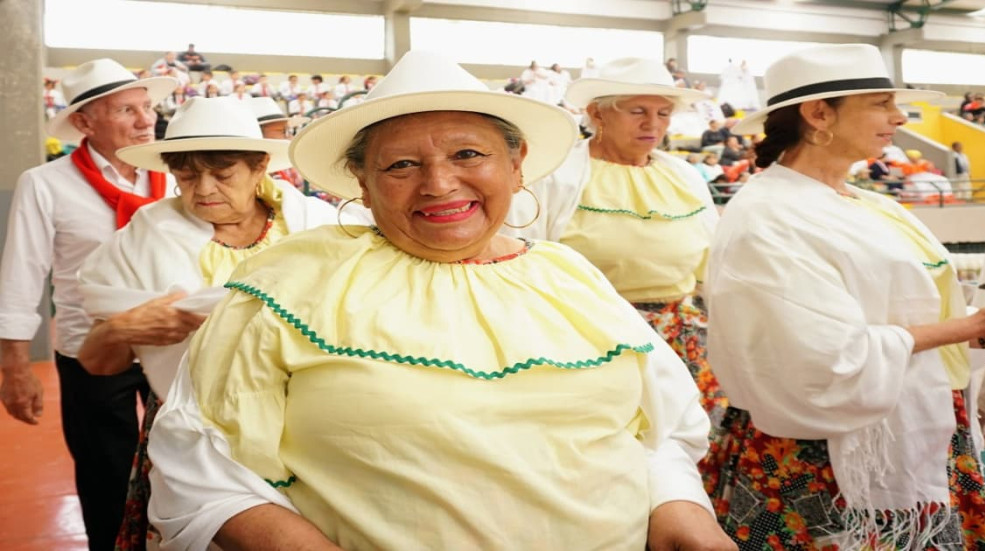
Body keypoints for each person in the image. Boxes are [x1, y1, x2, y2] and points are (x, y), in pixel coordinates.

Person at [145, 50, 734, 551]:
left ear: (517, 163)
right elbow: (202, 471)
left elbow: (659, 434)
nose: (439, 183)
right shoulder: (288, 283)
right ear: (363, 185)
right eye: (401, 165)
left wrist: (683, 512)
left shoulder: (570, 276)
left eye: (468, 155)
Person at [703, 43, 985, 549]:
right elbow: (823, 359)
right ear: (818, 113)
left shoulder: (864, 201)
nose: (899, 116)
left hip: (908, 432)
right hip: (829, 464)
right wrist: (977, 326)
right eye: (881, 103)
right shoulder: (767, 218)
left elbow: (900, 314)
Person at [77, 96, 361, 550]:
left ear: (260, 166)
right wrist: (124, 329)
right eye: (186, 176)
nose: (203, 189)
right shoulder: (142, 239)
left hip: (310, 423)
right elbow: (96, 362)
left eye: (223, 174)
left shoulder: (318, 228)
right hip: (196, 436)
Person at [0, 58, 177, 551]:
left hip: (170, 344)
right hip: (90, 354)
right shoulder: (46, 184)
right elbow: (20, 276)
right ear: (84, 122)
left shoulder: (174, 176)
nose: (147, 121)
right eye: (128, 110)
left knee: (183, 469)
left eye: (147, 107)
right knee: (106, 480)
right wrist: (14, 369)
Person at [504, 57, 727, 427]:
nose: (652, 124)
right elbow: (521, 257)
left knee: (685, 441)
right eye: (637, 111)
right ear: (598, 113)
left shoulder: (682, 175)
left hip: (681, 336)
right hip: (592, 338)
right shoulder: (558, 175)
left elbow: (710, 263)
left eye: (663, 113)